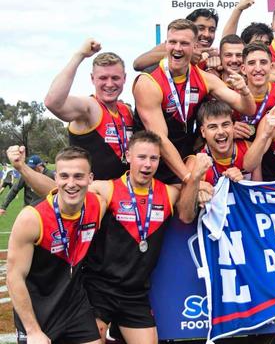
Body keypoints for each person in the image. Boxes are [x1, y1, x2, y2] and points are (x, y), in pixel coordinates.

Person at [10, 131, 211, 343]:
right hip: (99, 289)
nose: (147, 164)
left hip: (135, 293)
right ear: (128, 156)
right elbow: (61, 190)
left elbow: (187, 215)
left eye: (153, 158)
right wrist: (22, 168)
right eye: (141, 157)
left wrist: (197, 182)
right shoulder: (106, 190)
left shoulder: (168, 193)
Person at [132, 18, 255, 184]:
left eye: (184, 43)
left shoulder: (204, 78)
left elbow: (247, 109)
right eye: (172, 42)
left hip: (184, 156)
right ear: (166, 44)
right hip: (151, 160)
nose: (177, 48)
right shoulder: (148, 82)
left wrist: (245, 91)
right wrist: (189, 179)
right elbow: (160, 138)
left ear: (195, 47)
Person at [6, 146, 105, 344]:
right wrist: (33, 330)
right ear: (56, 179)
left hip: (75, 306)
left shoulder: (98, 205)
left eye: (78, 176)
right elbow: (14, 276)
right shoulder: (32, 218)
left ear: (90, 178)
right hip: (38, 312)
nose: (71, 183)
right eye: (64, 176)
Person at [44, 39, 134, 180]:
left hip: (123, 196)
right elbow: (53, 102)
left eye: (115, 78)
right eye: (103, 78)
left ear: (124, 79)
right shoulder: (90, 107)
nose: (109, 84)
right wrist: (79, 55)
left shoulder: (126, 110)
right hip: (93, 197)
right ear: (92, 79)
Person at [187, 99, 262, 184]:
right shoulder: (195, 164)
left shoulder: (250, 149)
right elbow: (187, 197)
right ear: (203, 132)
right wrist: (200, 193)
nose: (221, 132)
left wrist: (242, 182)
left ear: (233, 126)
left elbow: (258, 190)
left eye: (225, 124)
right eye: (213, 127)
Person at [133, 8, 219, 71]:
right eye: (201, 28)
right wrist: (185, 56)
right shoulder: (173, 47)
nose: (206, 34)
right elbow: (138, 64)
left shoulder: (213, 55)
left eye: (212, 30)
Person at [233, 42, 275, 140]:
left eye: (263, 62)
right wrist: (229, 130)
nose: (258, 69)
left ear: (271, 67)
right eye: (252, 63)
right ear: (243, 69)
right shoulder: (233, 96)